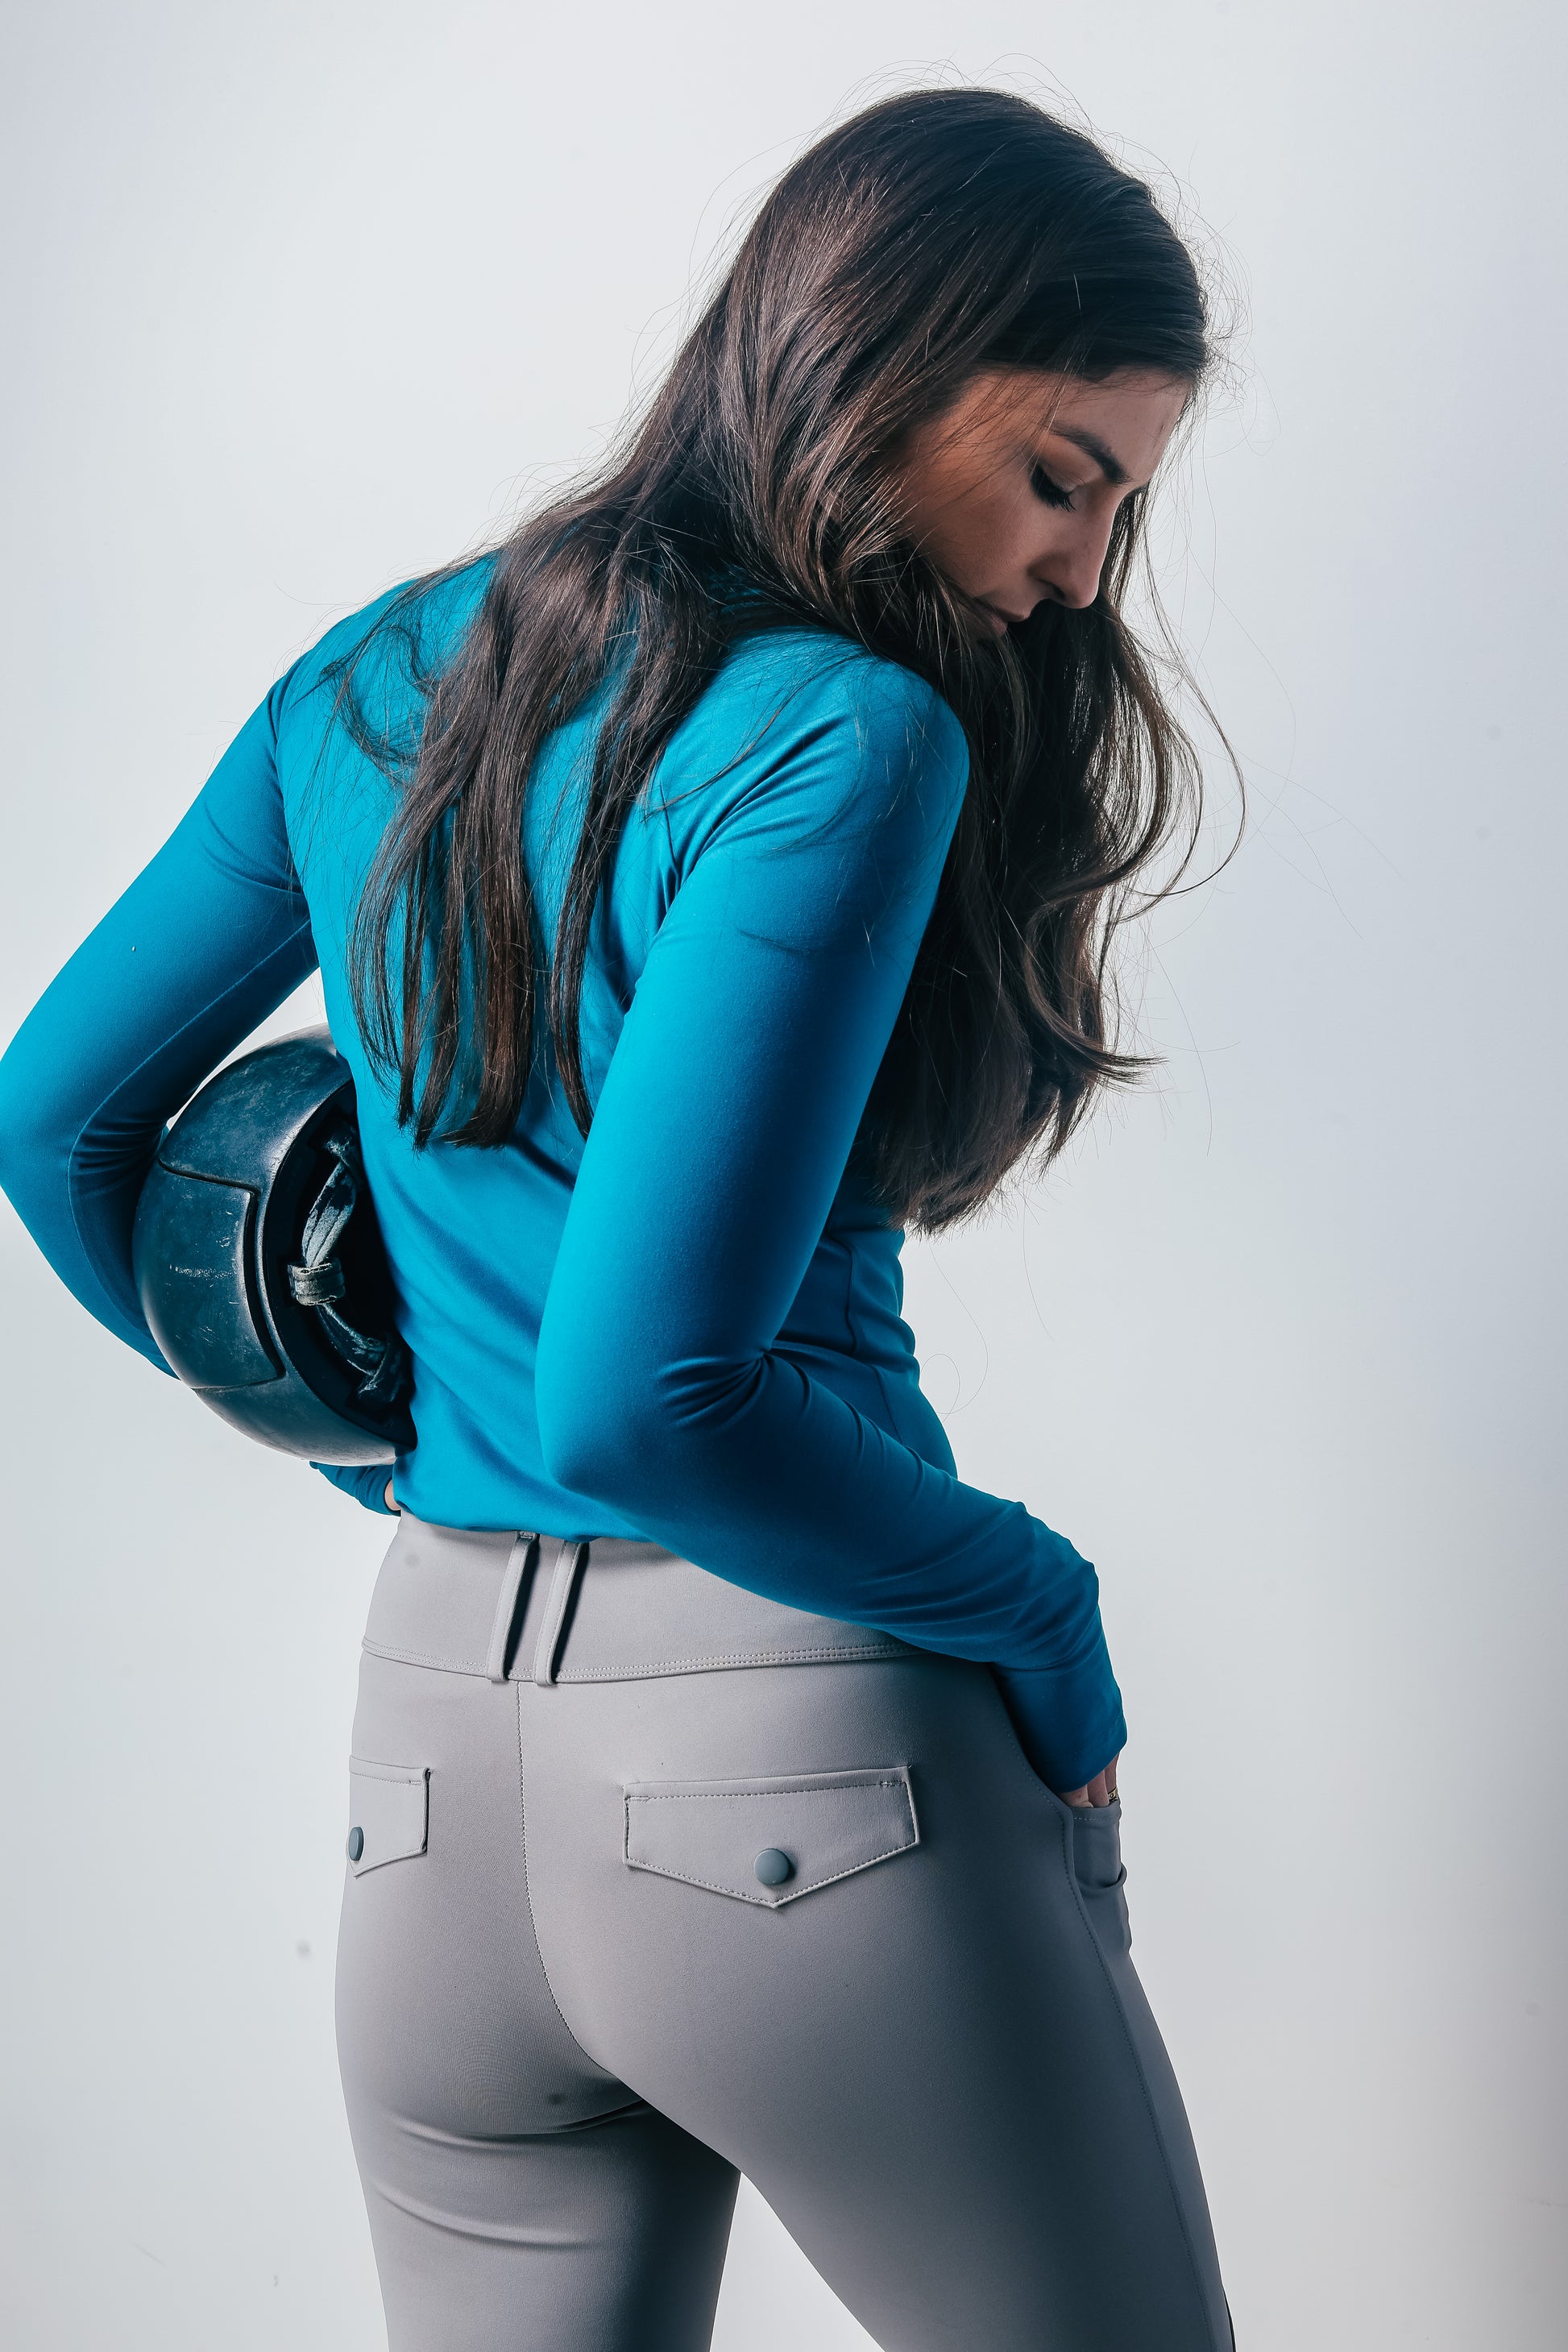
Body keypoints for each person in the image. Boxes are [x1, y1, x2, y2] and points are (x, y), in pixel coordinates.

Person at [0, 86, 1236, 2352]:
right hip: (803, 1767)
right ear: (882, 362)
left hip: (432, 1761)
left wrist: (383, 1454)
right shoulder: (840, 733)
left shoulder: (384, 666)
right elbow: (655, 1401)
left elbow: (54, 1119)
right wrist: (1041, 1609)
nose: (1075, 572)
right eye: (1064, 474)